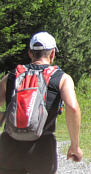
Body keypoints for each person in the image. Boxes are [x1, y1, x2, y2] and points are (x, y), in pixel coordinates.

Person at [0, 31, 83, 174]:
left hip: (9, 146)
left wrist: (5, 117)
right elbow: (73, 108)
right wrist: (75, 146)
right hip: (42, 147)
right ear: (52, 54)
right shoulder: (61, 78)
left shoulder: (11, 76)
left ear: (30, 53)